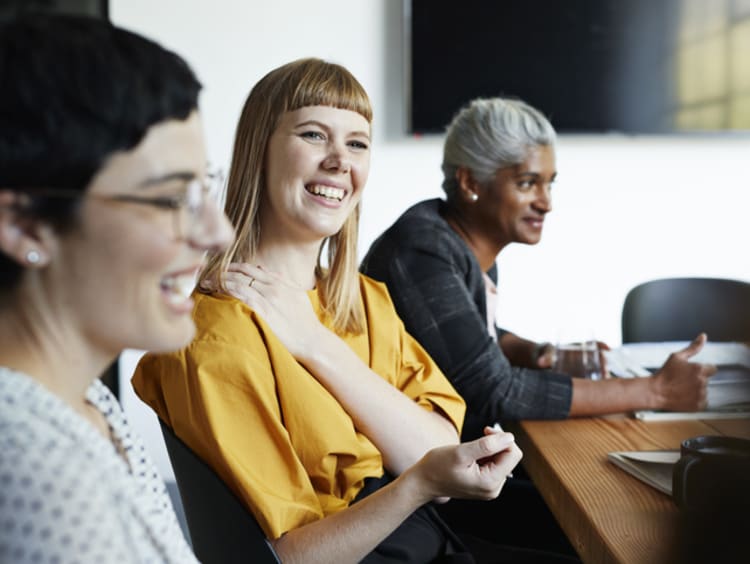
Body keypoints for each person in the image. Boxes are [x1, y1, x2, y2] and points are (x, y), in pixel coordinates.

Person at [132, 59, 536, 564]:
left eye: (357, 143)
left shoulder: (365, 300)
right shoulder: (214, 339)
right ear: (260, 150)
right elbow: (293, 558)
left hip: (433, 543)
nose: (340, 161)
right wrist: (417, 486)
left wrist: (317, 346)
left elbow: (432, 448)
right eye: (314, 135)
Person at [0, 15, 234, 563]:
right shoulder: (31, 465)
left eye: (203, 188)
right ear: (26, 226)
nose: (217, 233)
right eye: (170, 199)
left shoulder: (85, 401)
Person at [361, 96, 717, 441]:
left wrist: (539, 353)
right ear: (470, 183)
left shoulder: (458, 245)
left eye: (550, 183)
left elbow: (472, 340)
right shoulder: (423, 252)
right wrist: (655, 391)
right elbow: (494, 390)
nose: (546, 203)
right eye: (527, 183)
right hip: (417, 486)